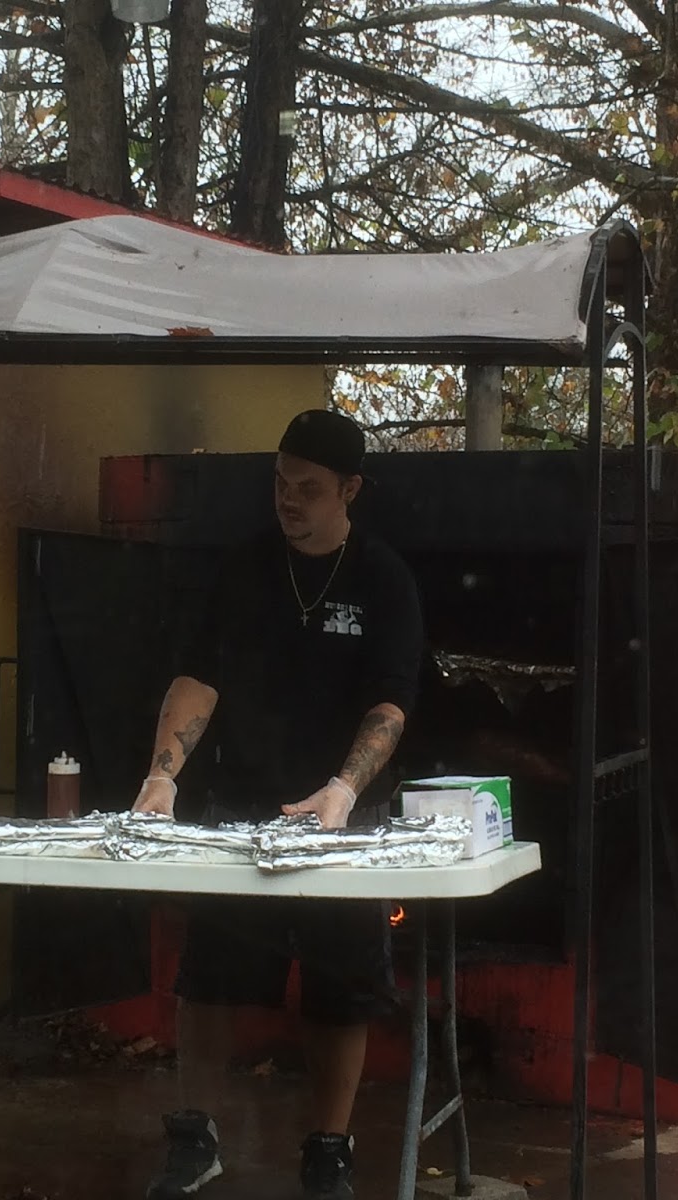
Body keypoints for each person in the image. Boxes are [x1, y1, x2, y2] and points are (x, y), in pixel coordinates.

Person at [133, 409, 425, 1200]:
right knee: (212, 978)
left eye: (307, 489)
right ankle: (196, 1139)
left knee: (341, 989)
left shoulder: (384, 580)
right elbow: (199, 678)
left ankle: (329, 1149)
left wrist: (343, 788)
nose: (287, 501)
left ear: (350, 489)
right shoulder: (243, 570)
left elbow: (390, 707)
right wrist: (165, 773)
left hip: (343, 816)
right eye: (278, 483)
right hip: (242, 807)